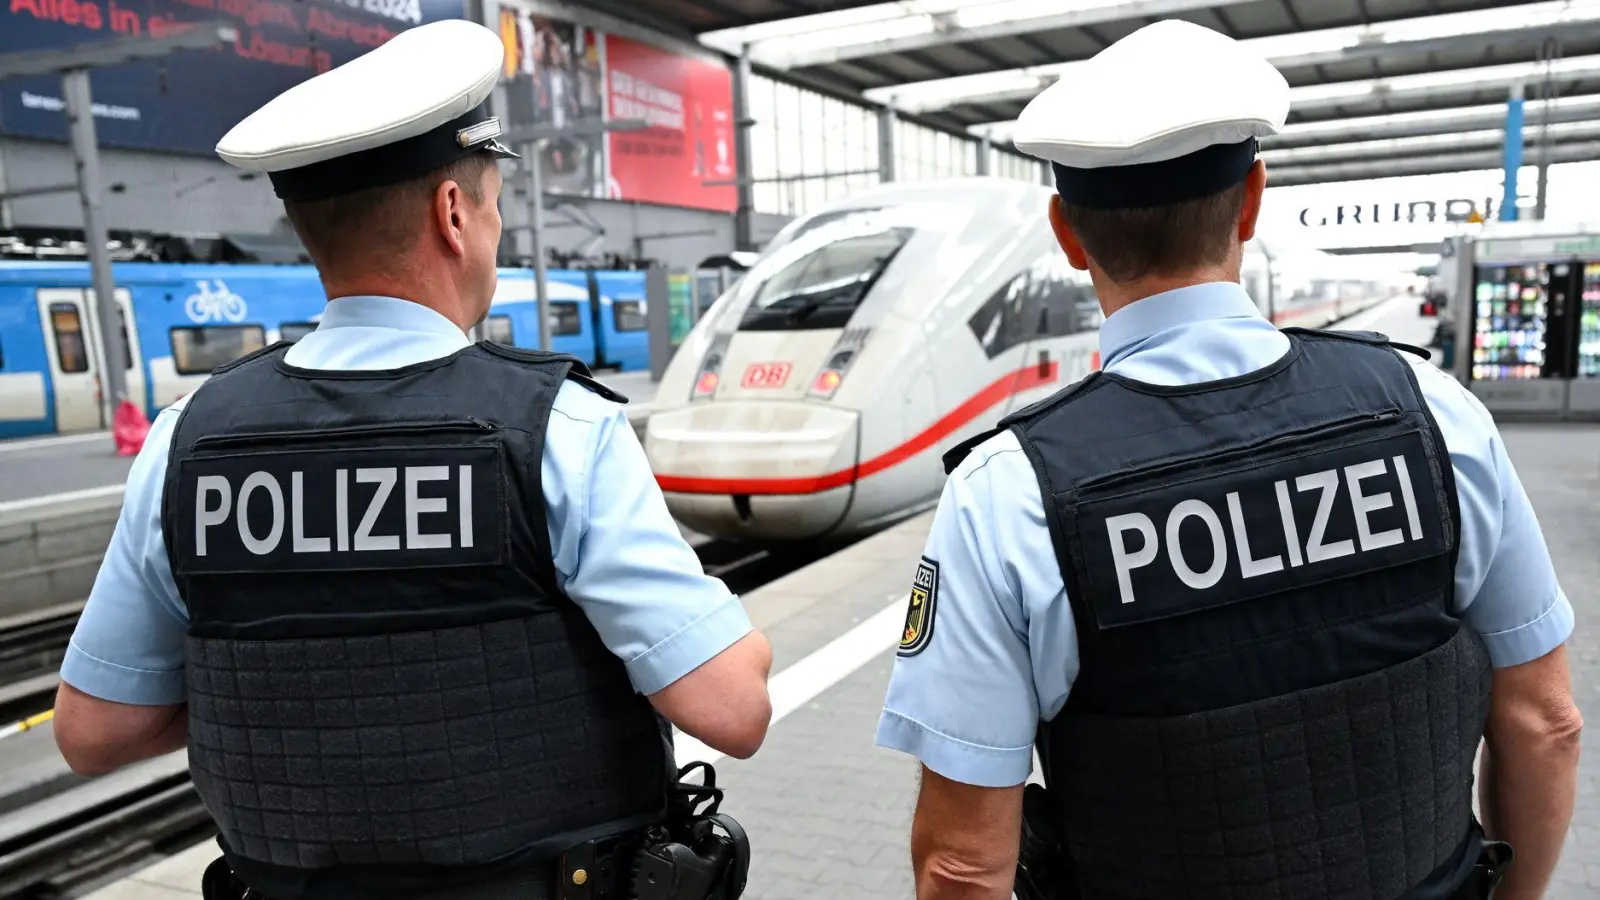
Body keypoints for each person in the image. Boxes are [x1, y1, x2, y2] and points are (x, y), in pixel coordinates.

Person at [53, 19, 772, 900]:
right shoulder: (555, 428)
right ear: (454, 214)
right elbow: (731, 711)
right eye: (497, 205)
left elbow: (93, 732)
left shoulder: (187, 441)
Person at [875, 19, 1581, 900]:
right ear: (1251, 199)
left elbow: (961, 863)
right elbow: (1545, 723)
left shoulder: (1010, 493)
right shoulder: (1433, 413)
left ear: (1067, 232)